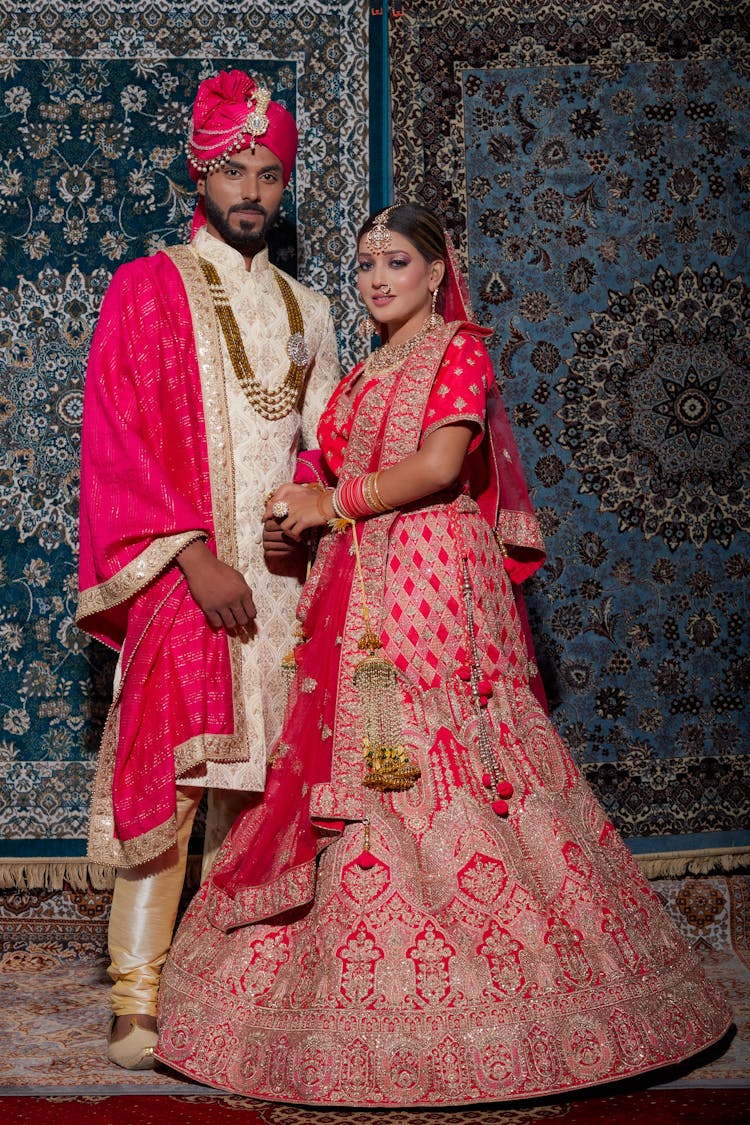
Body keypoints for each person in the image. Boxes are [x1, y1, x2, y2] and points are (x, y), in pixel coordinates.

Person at [154, 203, 731, 1106]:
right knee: (357, 771)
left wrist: (332, 504)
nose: (377, 280)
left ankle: (513, 1001)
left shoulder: (456, 347)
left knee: (435, 755)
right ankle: (340, 1006)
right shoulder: (364, 372)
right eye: (365, 266)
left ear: (434, 271)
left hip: (432, 574)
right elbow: (332, 469)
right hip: (357, 579)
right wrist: (299, 509)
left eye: (396, 263)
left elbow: (435, 466)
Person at [76, 69, 340, 1070]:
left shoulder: (311, 306)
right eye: (233, 167)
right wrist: (194, 557)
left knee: (264, 785)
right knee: (177, 773)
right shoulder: (148, 286)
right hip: (184, 571)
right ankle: (137, 996)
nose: (251, 190)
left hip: (282, 585)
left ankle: (229, 986)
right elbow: (118, 439)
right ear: (200, 170)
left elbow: (320, 443)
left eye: (269, 173)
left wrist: (304, 518)